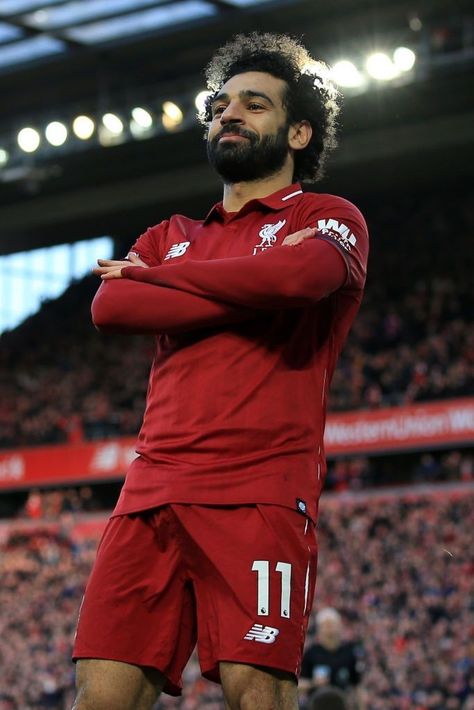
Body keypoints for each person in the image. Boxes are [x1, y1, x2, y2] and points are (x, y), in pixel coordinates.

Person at [72, 32, 369, 710]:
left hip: (259, 491)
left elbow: (301, 278)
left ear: (298, 131)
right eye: (221, 104)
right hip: (150, 490)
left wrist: (169, 282)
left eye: (254, 105)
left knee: (255, 694)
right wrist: (246, 280)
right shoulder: (169, 231)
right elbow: (112, 304)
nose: (229, 114)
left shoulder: (329, 217)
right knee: (99, 697)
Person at [300, 609, 365, 709]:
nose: (330, 631)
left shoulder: (348, 653)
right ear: (319, 630)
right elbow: (299, 685)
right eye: (326, 626)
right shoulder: (311, 653)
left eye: (332, 626)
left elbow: (357, 686)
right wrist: (314, 683)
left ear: (339, 627)